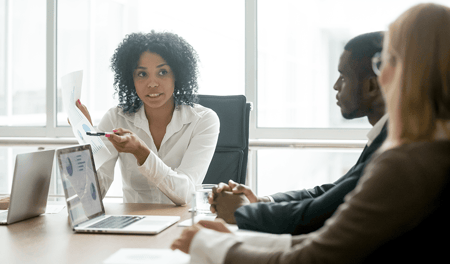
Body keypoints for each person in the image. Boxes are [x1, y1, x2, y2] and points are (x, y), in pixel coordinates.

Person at [171, 3, 450, 263]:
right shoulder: (431, 150)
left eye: (383, 62)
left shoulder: (407, 161)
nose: (382, 75)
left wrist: (211, 244)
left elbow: (315, 256)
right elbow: (337, 232)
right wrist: (236, 235)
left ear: (407, 70)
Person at [209, 31, 387, 235]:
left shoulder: (391, 144)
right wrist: (263, 201)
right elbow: (330, 193)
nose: (336, 85)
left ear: (372, 86)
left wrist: (244, 212)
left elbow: (319, 214)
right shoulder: (382, 135)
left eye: (344, 77)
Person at [76, 31, 220, 205]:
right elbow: (91, 196)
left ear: (177, 75)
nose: (152, 83)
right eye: (142, 74)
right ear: (131, 79)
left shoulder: (203, 120)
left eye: (163, 72)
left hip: (182, 224)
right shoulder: (116, 118)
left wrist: (141, 152)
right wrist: (88, 138)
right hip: (133, 224)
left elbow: (185, 193)